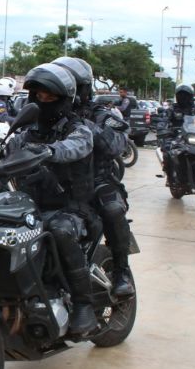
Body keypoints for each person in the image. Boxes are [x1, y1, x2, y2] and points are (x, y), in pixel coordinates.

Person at [6, 63, 97, 336]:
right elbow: (3, 162)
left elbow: (74, 148)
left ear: (65, 99)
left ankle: (84, 305)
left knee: (59, 231)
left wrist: (48, 151)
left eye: (50, 96)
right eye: (37, 96)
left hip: (72, 209)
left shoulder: (79, 129)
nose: (42, 101)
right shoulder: (23, 133)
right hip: (31, 208)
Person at [53, 56, 135, 297]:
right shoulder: (45, 113)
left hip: (97, 182)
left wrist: (81, 124)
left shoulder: (102, 114)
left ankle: (122, 271)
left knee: (112, 210)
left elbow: (115, 145)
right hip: (55, 184)